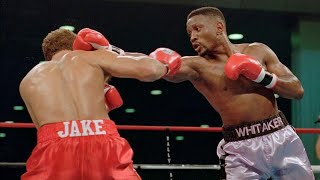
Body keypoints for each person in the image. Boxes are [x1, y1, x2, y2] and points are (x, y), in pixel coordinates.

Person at [149, 7, 314, 179]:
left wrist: (262, 77)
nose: (193, 37)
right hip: (241, 150)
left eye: (197, 29)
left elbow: (297, 90)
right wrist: (158, 62)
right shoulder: (197, 66)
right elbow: (161, 71)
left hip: (282, 138)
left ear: (219, 28)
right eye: (189, 33)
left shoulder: (258, 51)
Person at [19, 28, 181, 180]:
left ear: (47, 54)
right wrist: (164, 65)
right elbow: (148, 70)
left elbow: (44, 128)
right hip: (101, 139)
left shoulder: (28, 80)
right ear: (77, 46)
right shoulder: (89, 57)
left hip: (53, 149)